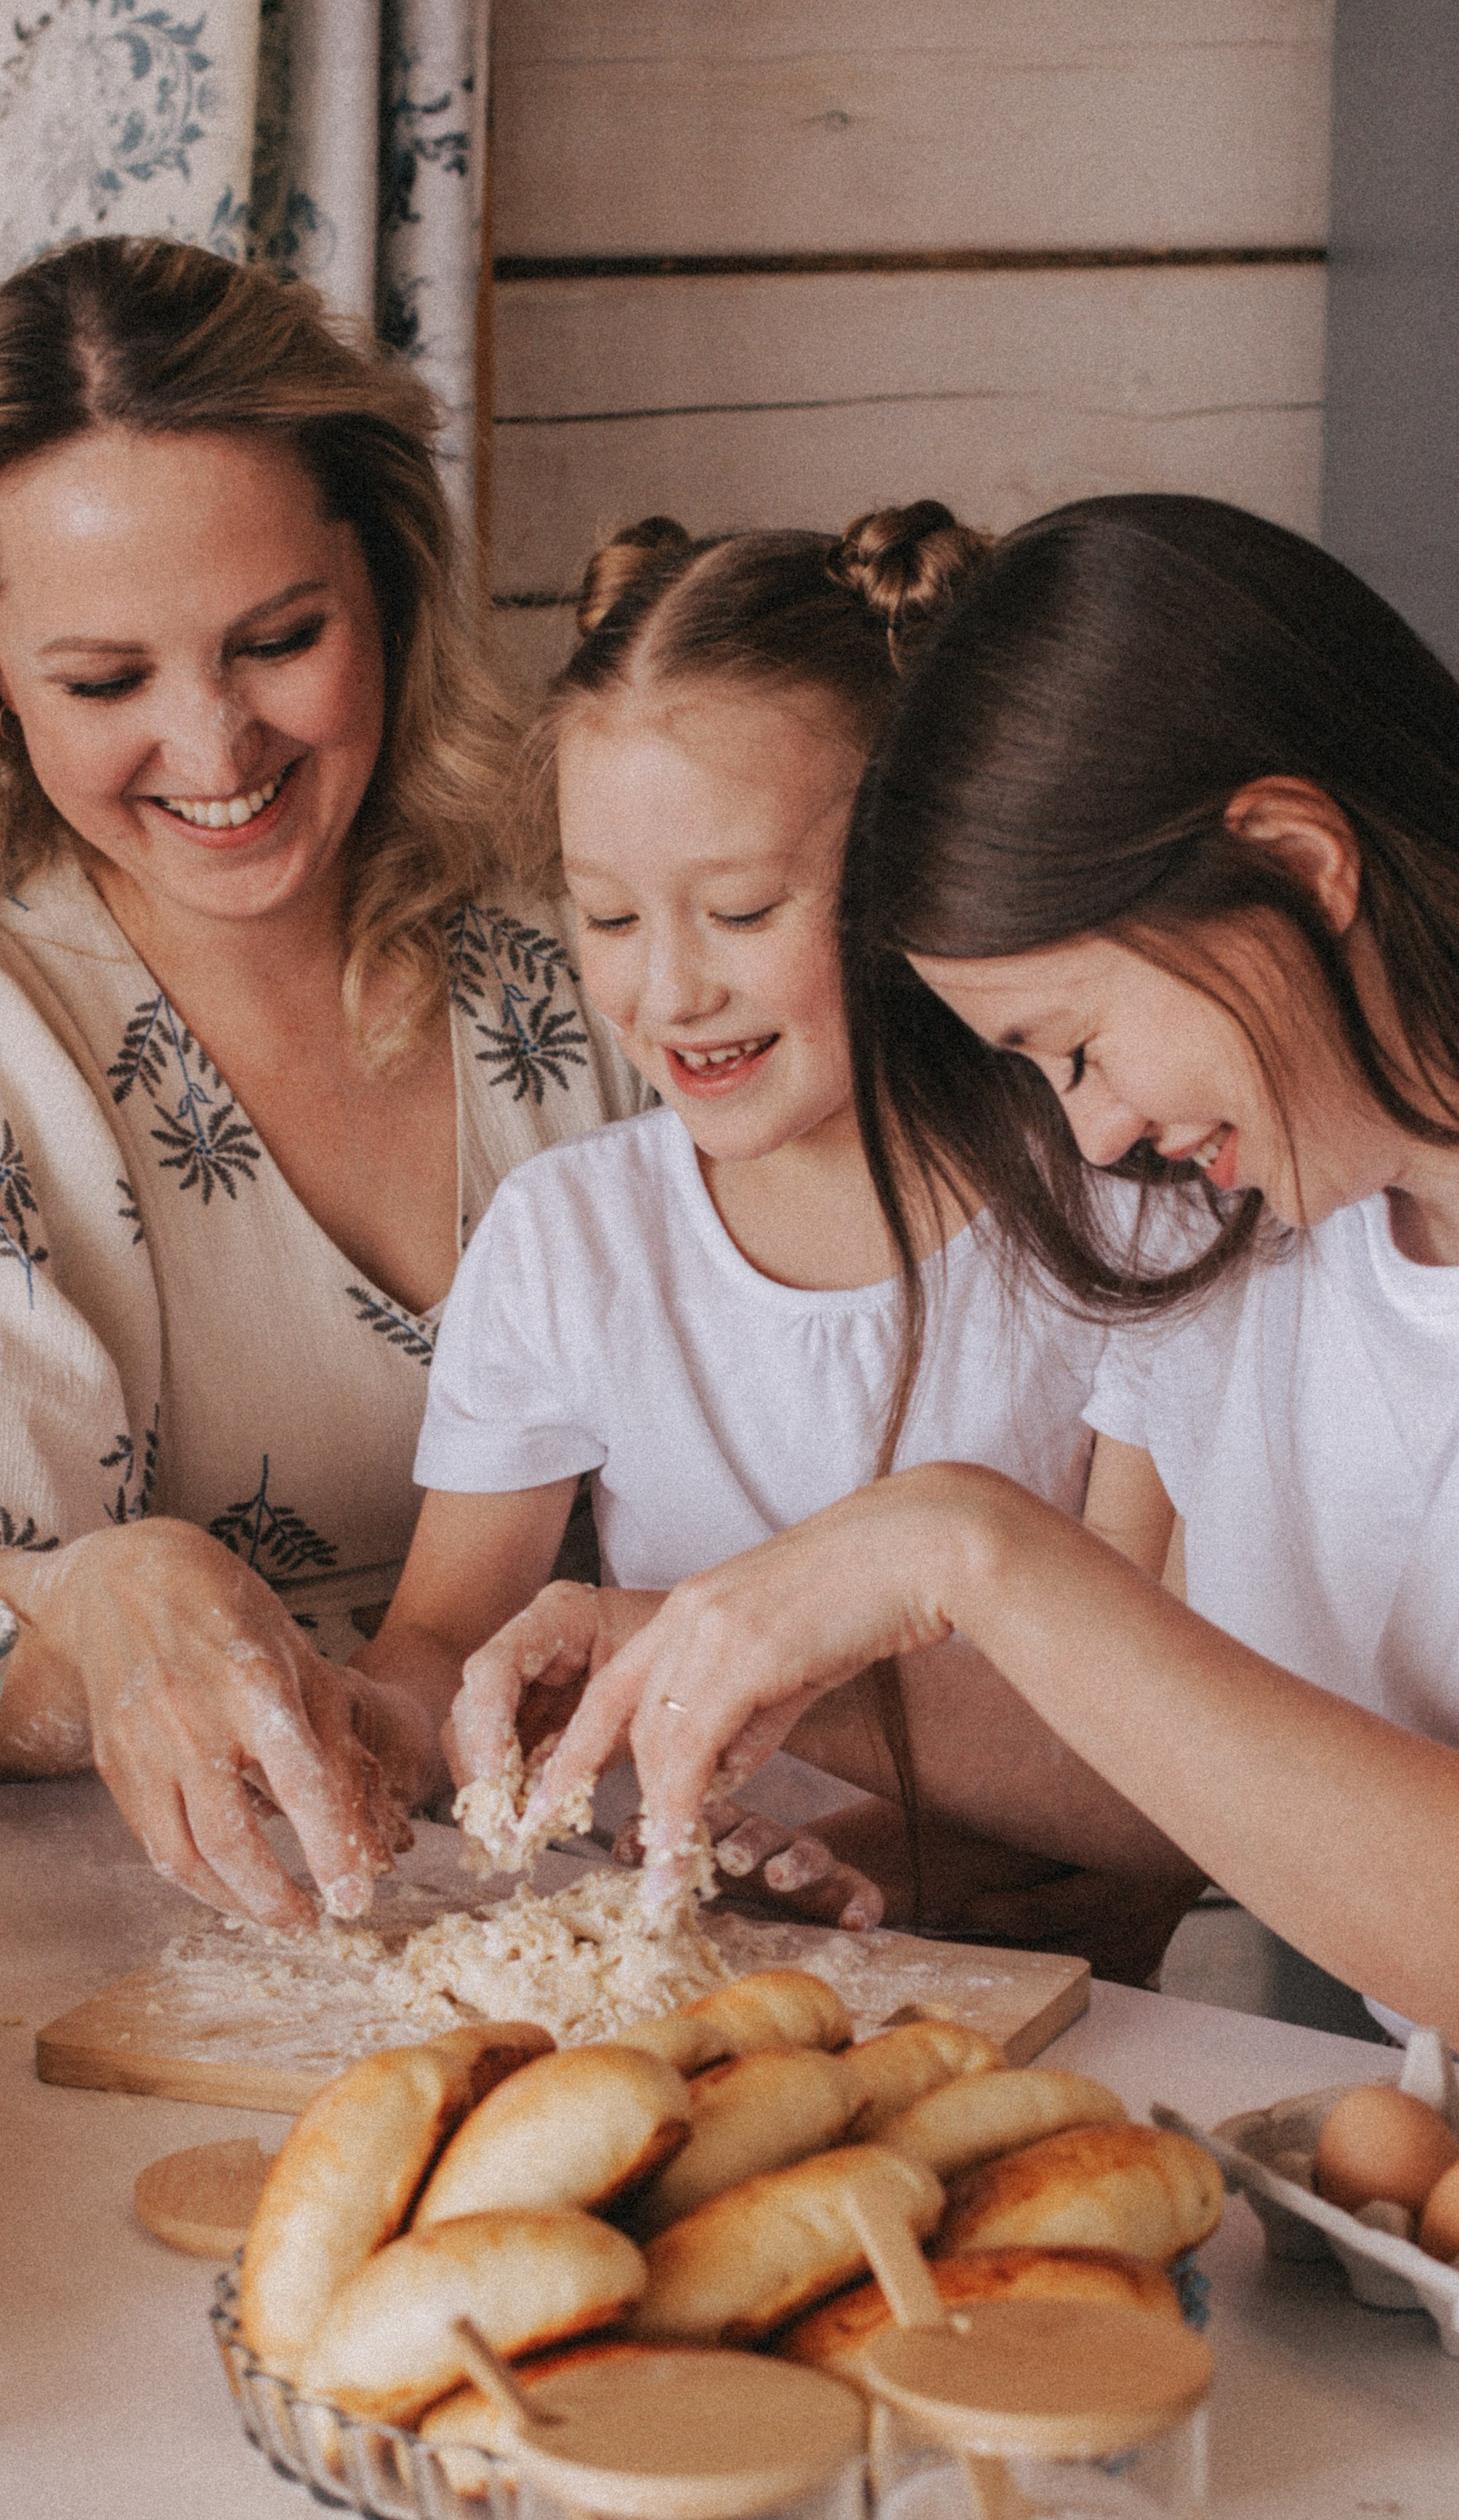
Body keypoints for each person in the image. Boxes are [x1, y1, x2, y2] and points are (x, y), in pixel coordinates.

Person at [461, 493, 1459, 2067]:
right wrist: (702, 1648)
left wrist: (958, 1541)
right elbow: (1150, 1772)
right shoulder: (1280, 1202)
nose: (1094, 1127)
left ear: (1291, 858)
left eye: (1075, 1043)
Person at [0, 236, 632, 1930]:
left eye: (279, 639)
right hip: (153, 1943)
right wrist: (116, 1597)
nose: (215, 753)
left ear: (387, 588)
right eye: (107, 682)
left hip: (640, 1905)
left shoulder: (600, 931)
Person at [358, 508, 1209, 1973]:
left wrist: (841, 1849)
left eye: (740, 909)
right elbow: (439, 1642)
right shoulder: (573, 1235)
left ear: (919, 868)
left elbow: (1146, 1764)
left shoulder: (1123, 1221)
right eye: (609, 916)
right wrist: (364, 1726)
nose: (668, 990)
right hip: (668, 1973)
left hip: (1033, 2004)